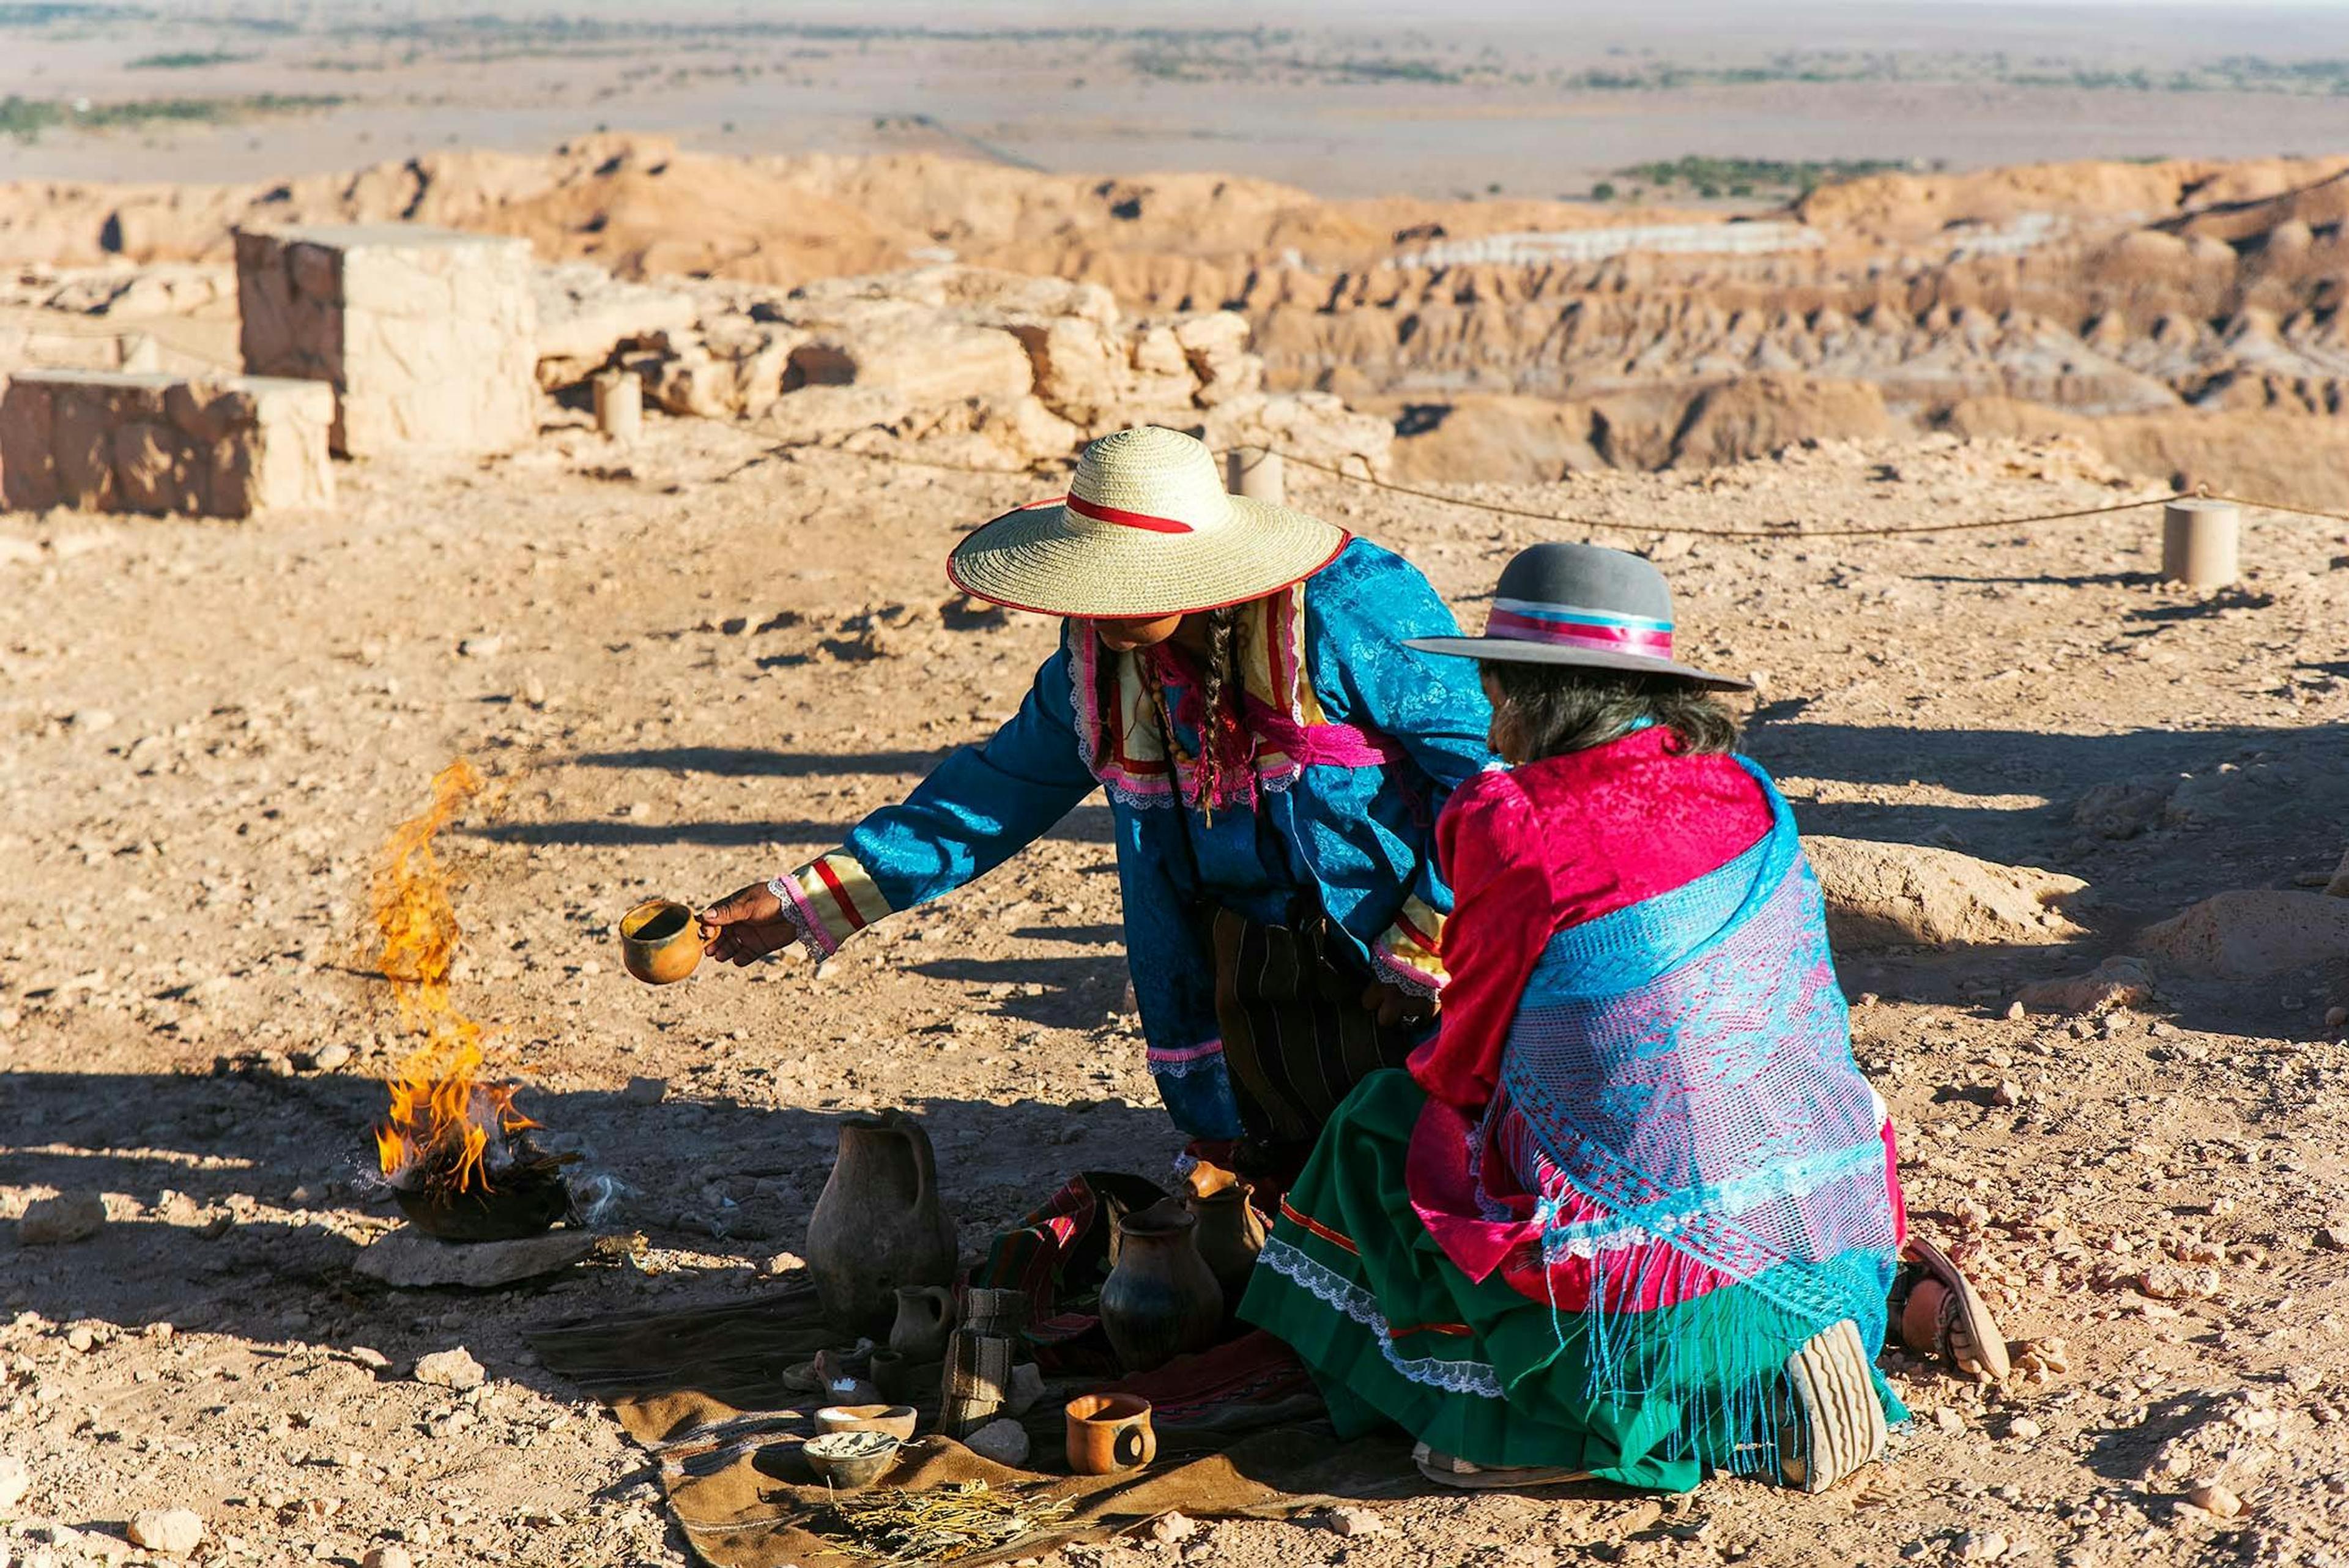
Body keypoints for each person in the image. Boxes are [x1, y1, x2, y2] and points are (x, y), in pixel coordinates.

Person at [1239, 541, 1986, 1496]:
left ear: (1537, 693)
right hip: (1829, 1221)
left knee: (1381, 1129)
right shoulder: (1751, 793)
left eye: (1499, 685)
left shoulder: (1510, 815)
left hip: (1647, 1291)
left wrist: (1432, 1062)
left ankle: (1546, 1426)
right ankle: (1826, 1348)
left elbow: (1468, 1060)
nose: (1492, 713)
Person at [698, 426, 1493, 1180]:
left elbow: (1485, 776)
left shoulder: (1349, 612)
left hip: (1394, 961)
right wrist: (806, 903)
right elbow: (996, 795)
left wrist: (1428, 944)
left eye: (1134, 581)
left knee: (1427, 1173)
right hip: (1235, 967)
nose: (1110, 605)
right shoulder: (1097, 663)